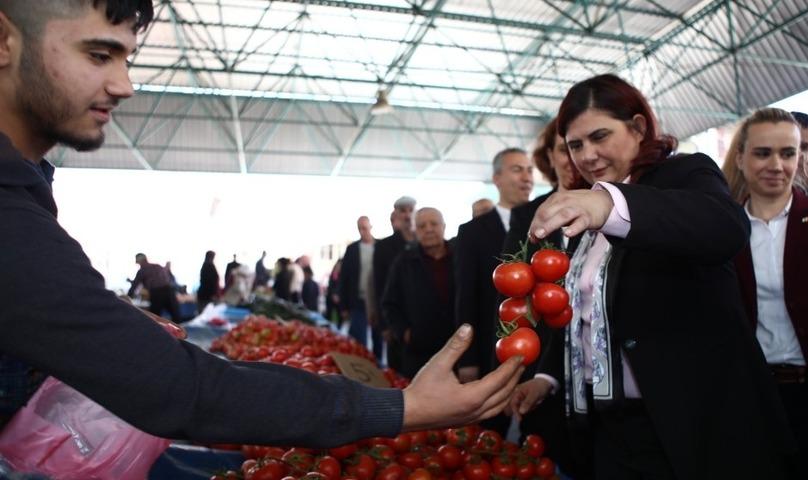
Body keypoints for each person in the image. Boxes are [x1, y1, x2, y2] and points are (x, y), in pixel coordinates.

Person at [0, 0, 523, 451]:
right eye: (98, 55)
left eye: (126, 59)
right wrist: (401, 408)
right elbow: (187, 390)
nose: (125, 85)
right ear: (4, 42)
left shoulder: (28, 193)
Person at [510, 74, 793, 479]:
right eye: (575, 145)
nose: (588, 155)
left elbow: (725, 228)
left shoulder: (683, 174)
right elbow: (585, 310)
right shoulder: (583, 211)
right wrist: (546, 378)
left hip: (687, 424)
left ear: (638, 128)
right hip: (609, 429)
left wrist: (610, 207)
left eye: (600, 136)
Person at [721, 108, 808, 480]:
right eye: (763, 153)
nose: (776, 165)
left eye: (787, 153)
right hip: (754, 400)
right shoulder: (723, 231)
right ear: (740, 158)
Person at [500, 117, 590, 479]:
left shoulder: (607, 211)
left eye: (577, 147)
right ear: (549, 157)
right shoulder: (527, 215)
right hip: (541, 357)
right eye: (563, 149)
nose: (572, 158)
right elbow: (513, 293)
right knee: (545, 454)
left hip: (594, 366)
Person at [455, 147, 533, 434]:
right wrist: (468, 358)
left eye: (530, 170)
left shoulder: (546, 220)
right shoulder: (473, 231)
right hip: (492, 348)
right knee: (491, 431)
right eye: (517, 169)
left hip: (537, 348)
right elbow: (466, 296)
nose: (526, 177)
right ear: (497, 178)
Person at [382, 208, 457, 378]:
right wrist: (404, 333)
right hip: (419, 353)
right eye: (422, 226)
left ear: (444, 226)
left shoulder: (460, 256)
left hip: (458, 349)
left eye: (434, 224)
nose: (428, 229)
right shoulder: (403, 261)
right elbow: (389, 303)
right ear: (415, 231)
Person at [373, 196, 417, 373]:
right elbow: (378, 286)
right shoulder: (383, 247)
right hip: (396, 321)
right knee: (398, 373)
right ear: (396, 215)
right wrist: (385, 326)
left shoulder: (425, 242)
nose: (407, 215)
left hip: (423, 322)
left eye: (410, 210)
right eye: (403, 211)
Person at [339, 216, 377, 349]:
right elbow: (344, 278)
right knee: (360, 340)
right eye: (360, 228)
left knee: (378, 339)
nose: (363, 231)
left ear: (370, 227)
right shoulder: (352, 249)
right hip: (358, 300)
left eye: (365, 228)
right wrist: (343, 306)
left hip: (377, 301)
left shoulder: (380, 247)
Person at [127, 253, 181, 322]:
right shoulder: (157, 266)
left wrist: (127, 297)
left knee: (155, 318)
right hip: (169, 290)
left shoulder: (142, 270)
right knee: (176, 316)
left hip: (157, 293)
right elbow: (168, 278)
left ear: (139, 260)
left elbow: (135, 285)